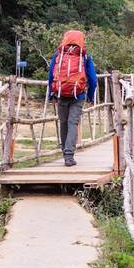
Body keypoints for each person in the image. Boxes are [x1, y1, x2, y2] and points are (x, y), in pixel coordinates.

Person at [48, 30, 97, 166]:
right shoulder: (85, 56)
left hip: (61, 93)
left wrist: (51, 93)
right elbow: (93, 79)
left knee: (63, 123)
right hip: (78, 94)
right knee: (73, 123)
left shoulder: (58, 54)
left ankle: (65, 154)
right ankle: (69, 156)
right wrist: (90, 95)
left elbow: (51, 76)